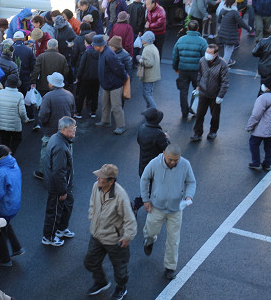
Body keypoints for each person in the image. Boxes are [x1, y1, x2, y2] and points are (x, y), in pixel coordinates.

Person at [141, 144, 196, 280]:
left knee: (173, 240)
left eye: (176, 160)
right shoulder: (154, 163)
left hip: (176, 209)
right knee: (150, 231)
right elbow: (144, 179)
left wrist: (189, 196)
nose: (173, 162)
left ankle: (170, 267)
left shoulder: (185, 164)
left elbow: (191, 182)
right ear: (164, 154)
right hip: (156, 207)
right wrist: (145, 200)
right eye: (170, 159)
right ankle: (149, 240)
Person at [84, 164, 137, 300]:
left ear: (111, 181)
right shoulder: (96, 187)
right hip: (97, 235)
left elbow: (130, 219)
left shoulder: (120, 196)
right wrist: (92, 215)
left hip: (115, 240)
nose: (97, 180)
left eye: (101, 178)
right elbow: (92, 203)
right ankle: (101, 282)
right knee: (90, 262)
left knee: (120, 270)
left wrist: (127, 237)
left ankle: (121, 287)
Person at [42, 116, 76, 247]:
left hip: (63, 185)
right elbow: (58, 171)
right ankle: (49, 237)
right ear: (63, 129)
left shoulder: (57, 138)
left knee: (67, 205)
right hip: (58, 187)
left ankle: (61, 229)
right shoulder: (61, 146)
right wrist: (62, 191)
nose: (75, 131)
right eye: (72, 128)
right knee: (54, 211)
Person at [34, 73, 75, 180]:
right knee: (68, 153)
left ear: (52, 84)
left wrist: (43, 124)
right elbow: (72, 112)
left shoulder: (48, 97)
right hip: (66, 130)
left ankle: (42, 172)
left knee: (46, 151)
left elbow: (43, 115)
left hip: (51, 130)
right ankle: (68, 174)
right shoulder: (69, 94)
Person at [0, 146, 23, 267]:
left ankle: (4, 259)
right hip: (13, 204)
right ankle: (16, 247)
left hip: (4, 207)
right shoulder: (14, 164)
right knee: (5, 224)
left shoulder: (1, 173)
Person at [133, 108, 170, 212]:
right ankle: (136, 204)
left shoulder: (142, 128)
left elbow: (139, 141)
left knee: (148, 187)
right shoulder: (158, 134)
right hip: (155, 168)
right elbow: (167, 150)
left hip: (143, 165)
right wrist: (166, 138)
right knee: (153, 189)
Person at [191, 44, 229, 142]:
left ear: (216, 54)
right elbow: (200, 74)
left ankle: (213, 131)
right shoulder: (202, 61)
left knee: (215, 115)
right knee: (199, 114)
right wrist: (198, 87)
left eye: (209, 53)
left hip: (215, 95)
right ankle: (197, 133)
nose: (207, 54)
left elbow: (225, 82)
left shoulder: (222, 64)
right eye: (206, 52)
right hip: (203, 93)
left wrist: (220, 96)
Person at [173, 20, 208, 119]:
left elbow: (175, 55)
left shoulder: (181, 40)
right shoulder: (202, 41)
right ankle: (194, 108)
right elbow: (205, 58)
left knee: (183, 91)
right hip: (196, 71)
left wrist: (175, 67)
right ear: (198, 29)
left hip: (183, 70)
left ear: (187, 28)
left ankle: (184, 112)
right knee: (197, 90)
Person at [93, 35, 128, 135]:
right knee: (105, 104)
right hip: (107, 83)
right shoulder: (102, 52)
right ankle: (105, 121)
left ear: (100, 45)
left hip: (114, 84)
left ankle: (121, 126)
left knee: (116, 106)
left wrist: (123, 78)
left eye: (95, 45)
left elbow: (119, 68)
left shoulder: (109, 54)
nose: (93, 47)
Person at [0, 74, 27, 154]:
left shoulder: (0, 92)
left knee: (5, 141)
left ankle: (5, 155)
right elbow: (22, 112)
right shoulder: (19, 95)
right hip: (14, 125)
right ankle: (11, 153)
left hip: (1, 124)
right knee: (17, 139)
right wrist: (25, 120)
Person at [246, 77, 271, 171]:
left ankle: (256, 162)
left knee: (253, 143)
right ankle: (267, 164)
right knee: (270, 145)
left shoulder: (263, 98)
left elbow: (255, 115)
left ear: (267, 87)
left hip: (261, 127)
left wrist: (249, 126)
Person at [217, 0, 252, 66]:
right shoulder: (234, 12)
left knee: (226, 48)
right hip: (231, 34)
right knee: (229, 49)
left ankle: (228, 60)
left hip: (222, 33)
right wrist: (249, 28)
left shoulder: (222, 10)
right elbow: (241, 23)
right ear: (232, 3)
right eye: (235, 2)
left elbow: (219, 20)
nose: (236, 4)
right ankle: (224, 64)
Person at [76, 32, 100, 119]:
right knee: (95, 94)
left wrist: (78, 76)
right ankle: (93, 111)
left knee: (81, 95)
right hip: (96, 77)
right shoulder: (99, 52)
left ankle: (79, 112)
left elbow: (81, 66)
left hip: (85, 77)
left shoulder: (86, 53)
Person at [137, 31, 161, 109]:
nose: (142, 39)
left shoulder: (147, 49)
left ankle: (154, 111)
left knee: (146, 94)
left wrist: (140, 59)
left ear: (146, 40)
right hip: (153, 74)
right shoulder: (153, 47)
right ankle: (150, 110)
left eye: (143, 38)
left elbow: (149, 63)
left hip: (149, 75)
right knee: (149, 93)